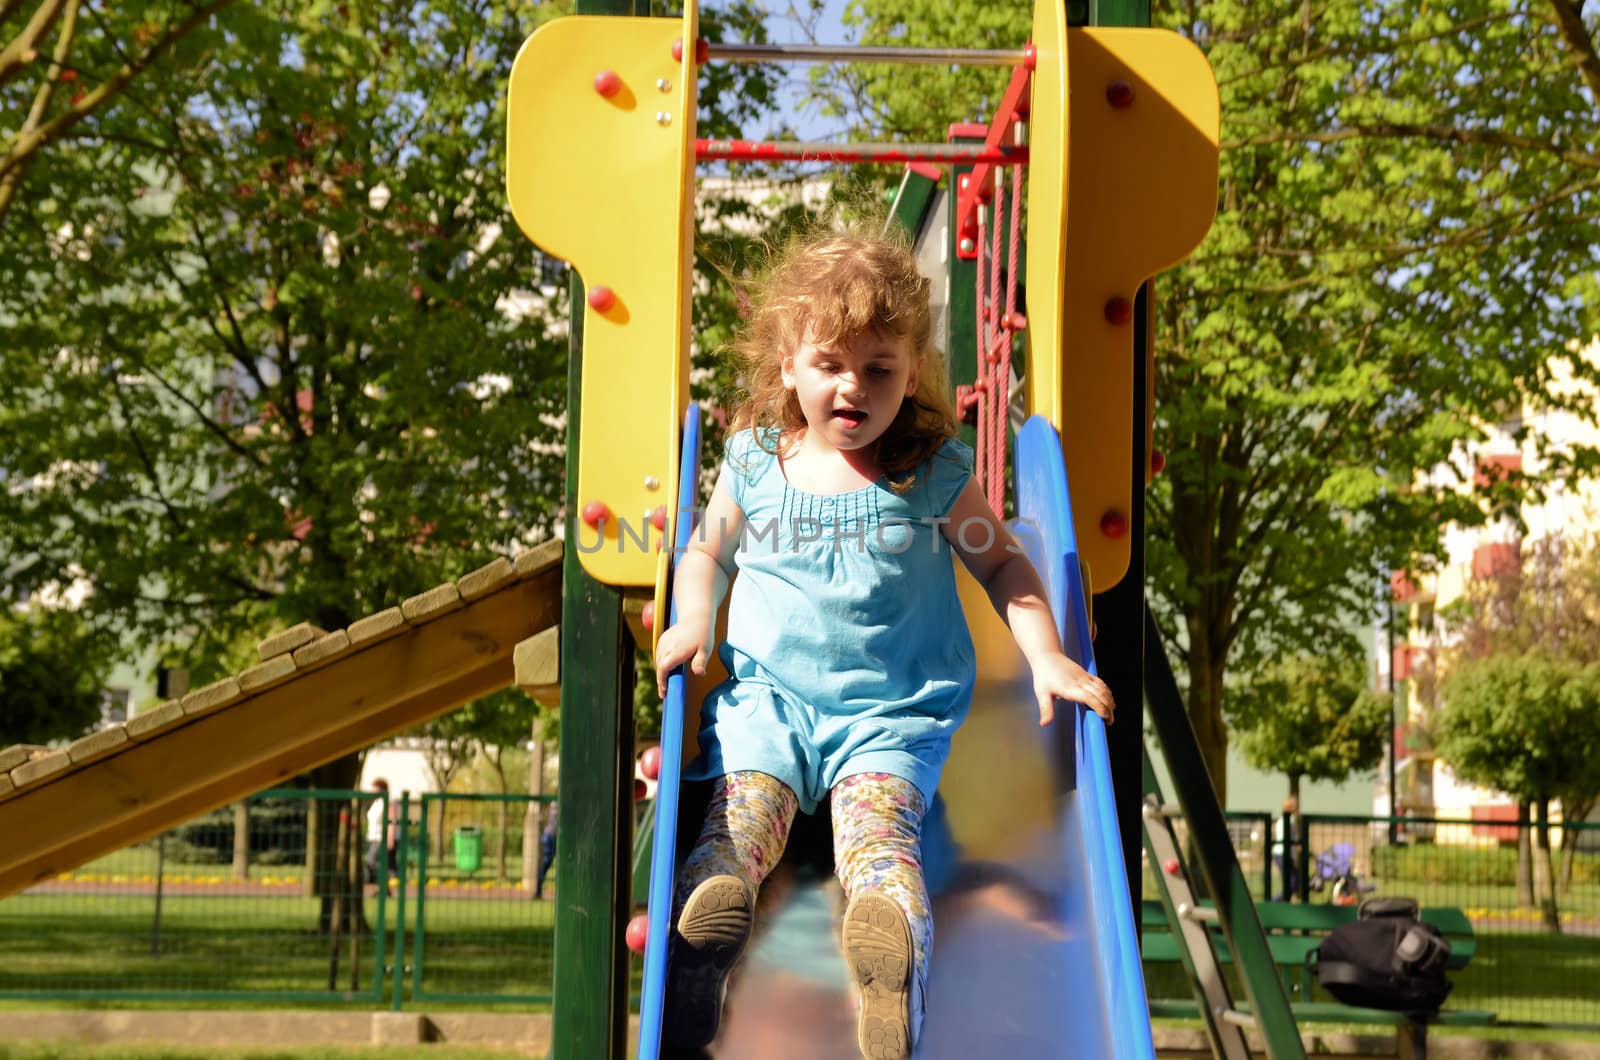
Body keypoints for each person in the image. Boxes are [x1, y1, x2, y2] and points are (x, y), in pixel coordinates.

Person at [652, 223, 1116, 1060]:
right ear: (789, 363)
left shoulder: (931, 471)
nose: (852, 388)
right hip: (770, 706)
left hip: (888, 718)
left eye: (879, 369)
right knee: (738, 825)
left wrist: (1048, 656)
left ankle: (890, 970)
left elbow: (1006, 563)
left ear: (910, 373)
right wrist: (692, 619)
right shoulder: (754, 462)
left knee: (882, 845)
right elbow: (706, 550)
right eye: (831, 364)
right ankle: (703, 944)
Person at [365, 778, 397, 895]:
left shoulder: (389, 800)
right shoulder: (377, 802)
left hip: (382, 839)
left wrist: (390, 838)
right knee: (381, 865)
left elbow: (392, 820)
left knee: (372, 862)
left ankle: (382, 889)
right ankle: (384, 890)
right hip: (374, 838)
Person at [534, 800, 558, 899]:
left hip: (554, 837)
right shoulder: (554, 804)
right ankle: (538, 891)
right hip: (549, 838)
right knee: (546, 864)